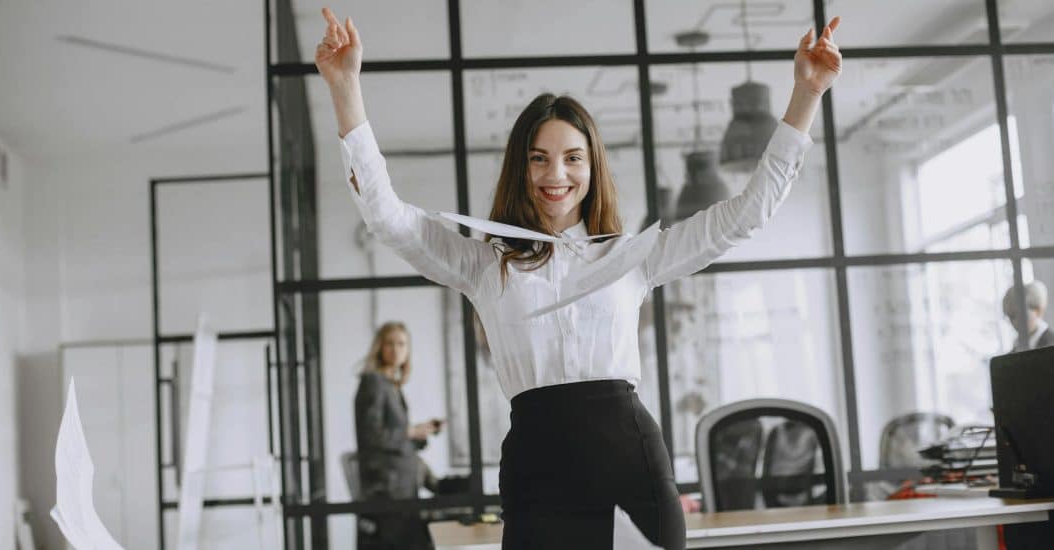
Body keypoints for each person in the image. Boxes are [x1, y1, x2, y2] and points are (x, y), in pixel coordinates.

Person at [318, 8, 842, 548]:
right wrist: (345, 88)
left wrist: (806, 96)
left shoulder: (635, 255)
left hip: (632, 470)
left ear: (593, 168)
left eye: (573, 158)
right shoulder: (483, 263)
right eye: (539, 158)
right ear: (521, 168)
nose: (556, 175)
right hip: (537, 479)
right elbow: (387, 216)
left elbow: (747, 214)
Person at [354, 321, 442, 550]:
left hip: (402, 488)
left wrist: (419, 433)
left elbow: (393, 437)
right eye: (390, 343)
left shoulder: (391, 385)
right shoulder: (373, 382)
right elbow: (371, 436)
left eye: (402, 344)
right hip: (388, 491)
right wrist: (410, 431)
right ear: (380, 348)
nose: (396, 349)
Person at [1002, 281, 1054, 352]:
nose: (1015, 322)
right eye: (1011, 317)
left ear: (1038, 310)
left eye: (1020, 316)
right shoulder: (1010, 355)